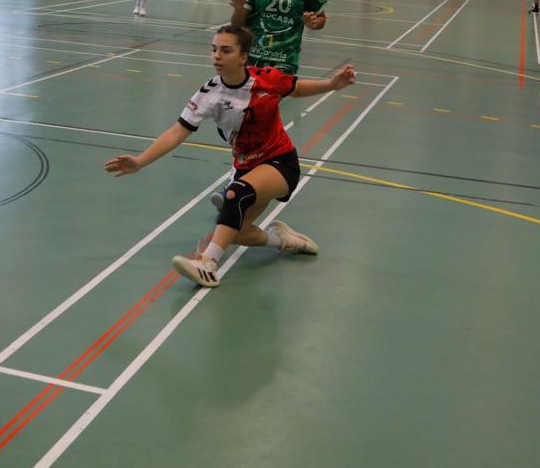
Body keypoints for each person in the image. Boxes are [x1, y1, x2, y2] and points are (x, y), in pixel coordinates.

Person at [104, 25, 356, 288]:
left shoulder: (266, 79)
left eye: (225, 50)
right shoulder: (208, 94)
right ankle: (284, 240)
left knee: (235, 195)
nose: (217, 56)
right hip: (246, 168)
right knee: (238, 231)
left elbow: (295, 88)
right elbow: (177, 132)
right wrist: (140, 161)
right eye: (214, 50)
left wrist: (331, 84)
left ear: (243, 56)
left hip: (279, 162)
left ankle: (208, 264)